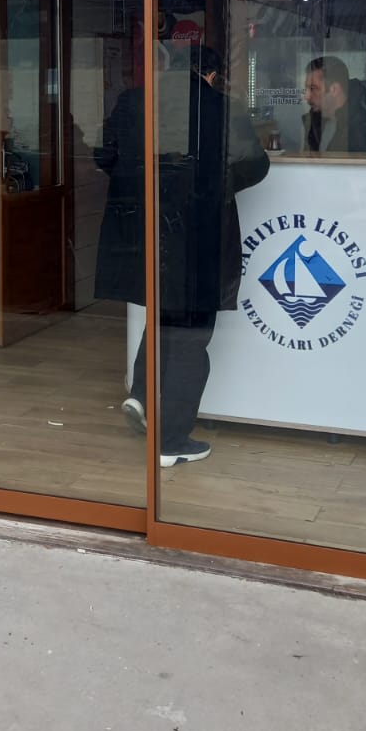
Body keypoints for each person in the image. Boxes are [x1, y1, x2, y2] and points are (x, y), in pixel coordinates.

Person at [94, 43, 269, 466]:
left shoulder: (133, 102)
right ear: (209, 74)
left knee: (163, 320)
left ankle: (143, 396)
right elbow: (256, 164)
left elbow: (104, 156)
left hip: (148, 236)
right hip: (199, 238)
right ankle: (171, 441)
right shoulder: (222, 106)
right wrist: (215, 186)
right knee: (191, 339)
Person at [303, 55, 366, 154]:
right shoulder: (315, 121)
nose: (306, 96)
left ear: (334, 89)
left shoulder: (363, 126)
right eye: (306, 88)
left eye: (313, 88)